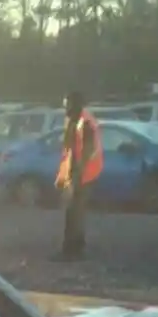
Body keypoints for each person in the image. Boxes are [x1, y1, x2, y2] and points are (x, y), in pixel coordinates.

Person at [55, 92, 103, 261]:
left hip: (84, 174)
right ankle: (74, 249)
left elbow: (87, 152)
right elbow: (68, 151)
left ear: (74, 104)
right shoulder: (74, 120)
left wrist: (76, 177)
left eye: (66, 104)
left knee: (74, 213)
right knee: (74, 212)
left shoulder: (85, 122)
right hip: (77, 173)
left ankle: (71, 251)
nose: (64, 107)